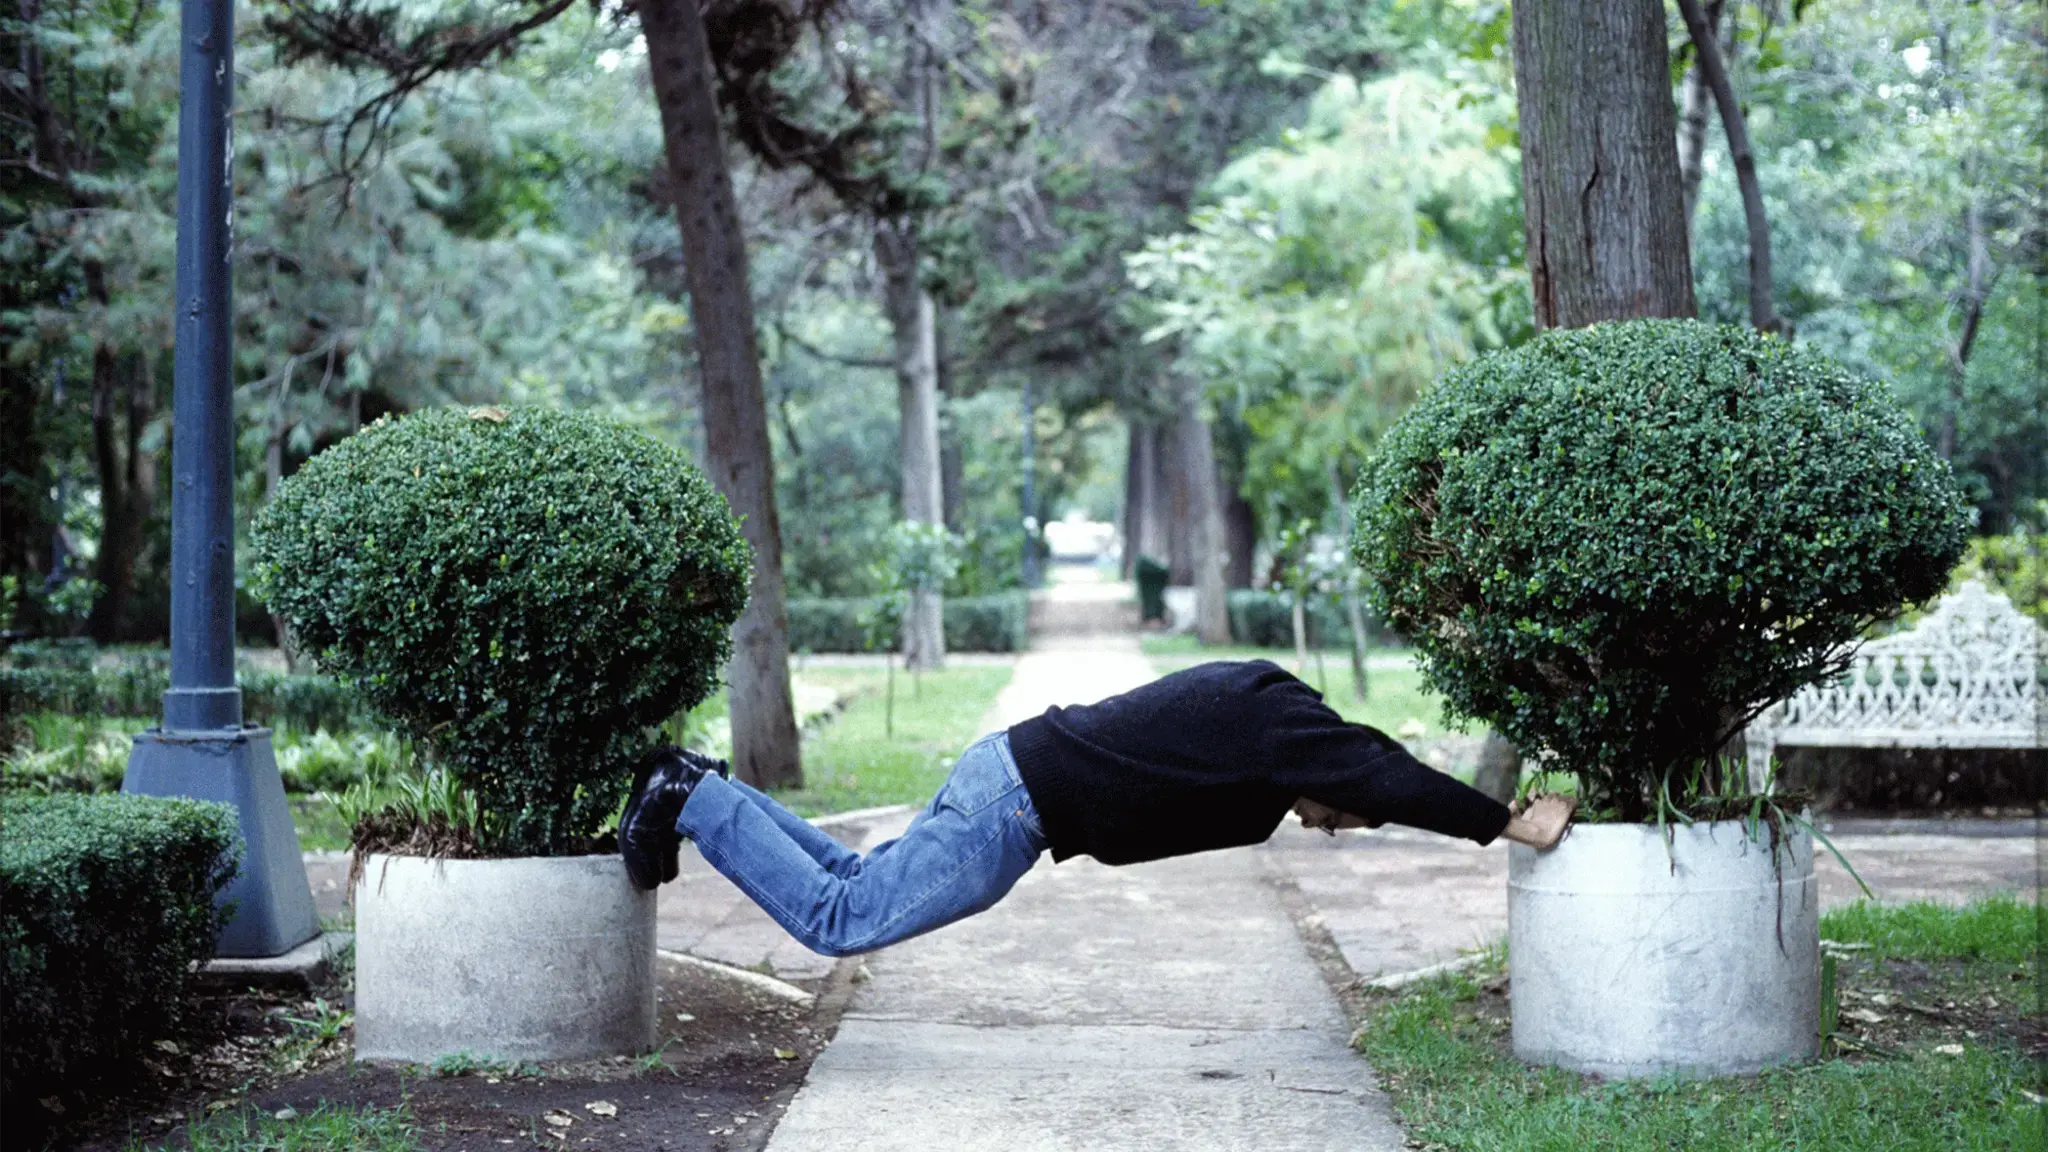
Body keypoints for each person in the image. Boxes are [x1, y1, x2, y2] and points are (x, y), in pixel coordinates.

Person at [620, 659, 1574, 957]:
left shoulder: (1276, 724)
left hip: (1009, 780)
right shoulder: (1295, 737)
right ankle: (692, 798)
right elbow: (1395, 778)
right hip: (1014, 804)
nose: (1323, 824)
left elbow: (1373, 775)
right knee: (844, 919)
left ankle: (704, 787)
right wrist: (1508, 823)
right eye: (1340, 816)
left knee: (856, 882)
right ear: (1341, 779)